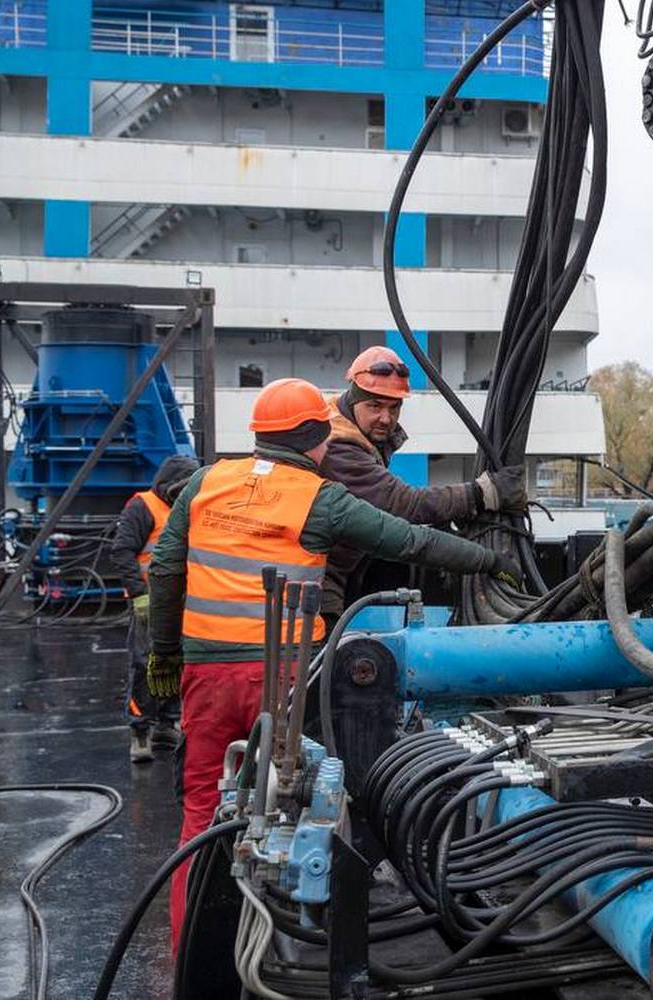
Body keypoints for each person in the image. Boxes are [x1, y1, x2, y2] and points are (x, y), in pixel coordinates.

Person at [144, 377, 520, 952]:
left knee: (203, 815)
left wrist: (166, 655)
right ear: (317, 438)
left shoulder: (206, 480)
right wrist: (489, 560)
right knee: (305, 806)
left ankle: (191, 957)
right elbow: (412, 540)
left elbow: (166, 569)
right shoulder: (320, 497)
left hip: (207, 677)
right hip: (290, 678)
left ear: (259, 436)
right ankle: (293, 946)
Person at [319, 345, 528, 621]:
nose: (386, 418)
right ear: (354, 399)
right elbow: (401, 504)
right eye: (374, 406)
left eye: (394, 408)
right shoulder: (340, 446)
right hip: (319, 585)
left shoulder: (348, 426)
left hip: (331, 578)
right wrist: (482, 493)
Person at [109, 454, 199, 764]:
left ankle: (168, 723)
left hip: (182, 602)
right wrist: (139, 594)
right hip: (149, 603)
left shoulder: (188, 507)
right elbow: (121, 551)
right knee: (144, 666)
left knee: (177, 662)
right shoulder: (143, 506)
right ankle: (140, 730)